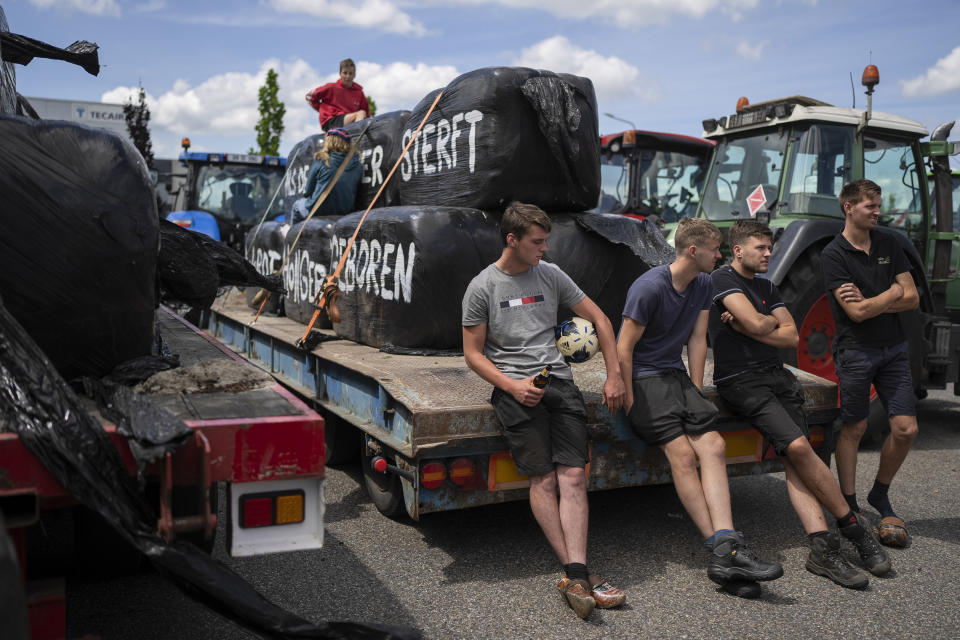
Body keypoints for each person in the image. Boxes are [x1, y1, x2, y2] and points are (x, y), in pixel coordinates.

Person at [461, 202, 627, 620]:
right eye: (537, 241)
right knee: (543, 478)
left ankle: (576, 575)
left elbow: (602, 320)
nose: (544, 248)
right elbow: (473, 355)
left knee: (573, 474)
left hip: (560, 382)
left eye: (546, 240)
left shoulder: (551, 274)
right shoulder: (482, 287)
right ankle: (579, 574)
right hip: (515, 389)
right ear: (512, 239)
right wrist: (512, 386)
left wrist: (614, 375)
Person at [710, 220, 890, 589]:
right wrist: (757, 325)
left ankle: (822, 550)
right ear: (738, 250)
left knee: (799, 459)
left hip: (778, 376)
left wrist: (751, 326)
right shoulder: (721, 280)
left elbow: (789, 334)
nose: (768, 253)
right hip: (741, 381)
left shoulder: (766, 285)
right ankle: (852, 527)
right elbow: (759, 323)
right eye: (760, 247)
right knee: (796, 447)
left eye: (768, 247)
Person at [616, 217, 783, 598]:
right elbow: (624, 347)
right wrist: (628, 397)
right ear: (694, 251)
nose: (720, 255)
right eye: (715, 249)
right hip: (644, 378)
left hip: (675, 377)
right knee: (680, 454)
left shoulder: (705, 282)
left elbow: (696, 338)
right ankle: (724, 550)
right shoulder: (649, 287)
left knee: (714, 446)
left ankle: (726, 547)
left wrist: (695, 389)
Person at [822, 179, 920, 548]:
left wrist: (879, 299)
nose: (878, 212)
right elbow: (856, 313)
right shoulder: (833, 255)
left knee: (906, 429)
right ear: (849, 207)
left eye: (878, 205)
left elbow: (911, 299)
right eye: (870, 207)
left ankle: (880, 494)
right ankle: (848, 502)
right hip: (856, 350)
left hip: (893, 348)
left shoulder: (889, 243)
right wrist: (892, 291)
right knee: (855, 426)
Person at [290, 128, 362, 223]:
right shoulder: (358, 166)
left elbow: (308, 191)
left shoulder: (322, 160)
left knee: (296, 205)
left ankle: (294, 237)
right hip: (345, 212)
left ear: (329, 142)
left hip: (318, 210)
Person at [305, 58, 369, 132]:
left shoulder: (359, 93)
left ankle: (357, 139)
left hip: (349, 121)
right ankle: (356, 139)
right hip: (331, 120)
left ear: (354, 74)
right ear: (340, 74)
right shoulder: (331, 87)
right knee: (360, 114)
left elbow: (367, 114)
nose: (348, 76)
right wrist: (322, 110)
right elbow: (309, 96)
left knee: (362, 114)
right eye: (345, 73)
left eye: (350, 73)